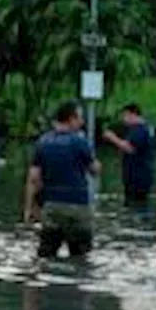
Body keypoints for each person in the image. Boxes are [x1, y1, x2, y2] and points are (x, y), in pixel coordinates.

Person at [23, 101, 101, 259]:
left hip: (51, 207)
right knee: (81, 258)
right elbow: (94, 170)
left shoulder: (43, 143)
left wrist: (29, 208)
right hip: (77, 206)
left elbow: (33, 179)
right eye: (80, 117)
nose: (82, 121)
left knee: (47, 254)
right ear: (71, 119)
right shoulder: (80, 142)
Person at [102, 103, 155, 209]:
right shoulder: (144, 129)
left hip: (137, 177)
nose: (124, 120)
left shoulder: (140, 130)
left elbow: (130, 148)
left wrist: (112, 137)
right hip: (138, 175)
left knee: (135, 204)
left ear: (133, 115)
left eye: (125, 116)